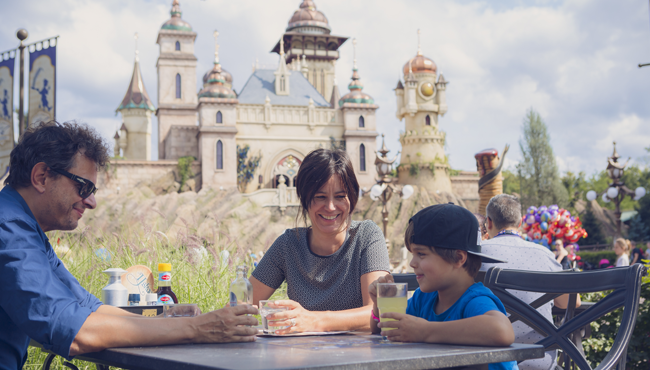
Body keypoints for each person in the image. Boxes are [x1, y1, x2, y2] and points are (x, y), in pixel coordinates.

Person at [0, 121, 258, 369]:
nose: (91, 202)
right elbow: (73, 330)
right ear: (42, 177)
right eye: (83, 187)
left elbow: (88, 308)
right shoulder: (8, 229)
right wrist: (198, 329)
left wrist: (166, 318)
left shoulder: (26, 229)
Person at [250, 149, 390, 333]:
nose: (331, 207)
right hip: (303, 357)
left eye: (340, 197)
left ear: (352, 197)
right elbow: (244, 306)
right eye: (320, 197)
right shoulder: (288, 245)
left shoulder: (366, 236)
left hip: (356, 357)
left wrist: (314, 320)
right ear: (304, 198)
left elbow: (378, 312)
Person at [368, 204, 517, 370]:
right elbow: (388, 330)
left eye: (421, 254)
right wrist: (378, 306)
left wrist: (425, 331)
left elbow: (502, 330)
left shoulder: (475, 300)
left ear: (458, 258)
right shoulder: (423, 298)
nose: (412, 263)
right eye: (412, 254)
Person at [481, 194, 579, 370]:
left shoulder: (476, 256)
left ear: (488, 222)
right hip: (540, 359)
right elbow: (570, 302)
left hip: (489, 361)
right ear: (520, 224)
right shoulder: (544, 254)